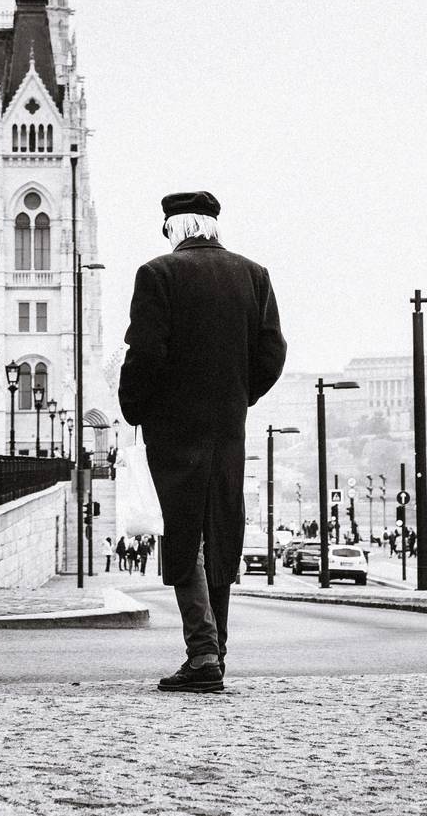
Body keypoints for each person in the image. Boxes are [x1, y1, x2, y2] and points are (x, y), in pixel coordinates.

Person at [119, 191, 286, 694]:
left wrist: (135, 406)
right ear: (211, 225)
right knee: (221, 532)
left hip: (173, 429)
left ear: (174, 227)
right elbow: (272, 351)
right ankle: (217, 650)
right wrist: (240, 395)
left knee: (182, 535)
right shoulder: (254, 275)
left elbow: (145, 352)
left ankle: (203, 652)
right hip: (227, 427)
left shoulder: (158, 274)